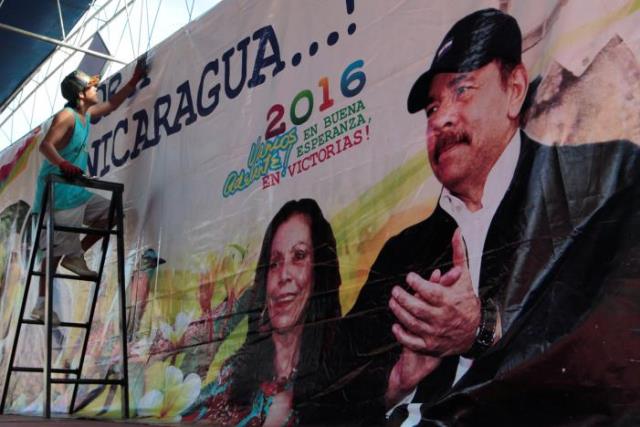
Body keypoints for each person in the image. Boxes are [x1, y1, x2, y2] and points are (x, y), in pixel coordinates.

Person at [308, 8, 640, 425]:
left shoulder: (600, 185)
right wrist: (395, 382)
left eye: (462, 90)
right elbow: (324, 401)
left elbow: (610, 351)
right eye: (431, 108)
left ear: (515, 89)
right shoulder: (403, 255)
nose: (441, 119)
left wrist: (480, 331)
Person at [182, 199, 342, 426]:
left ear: (319, 273)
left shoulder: (338, 375)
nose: (283, 275)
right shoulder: (236, 372)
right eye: (274, 263)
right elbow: (186, 412)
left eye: (299, 256)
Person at [30, 60, 148, 322]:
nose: (97, 90)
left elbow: (113, 104)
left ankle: (77, 255)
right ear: (81, 94)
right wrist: (63, 163)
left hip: (76, 189)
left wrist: (134, 79)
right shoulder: (67, 116)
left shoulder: (86, 116)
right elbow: (46, 146)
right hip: (59, 192)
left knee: (113, 214)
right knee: (53, 253)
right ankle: (41, 305)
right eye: (92, 87)